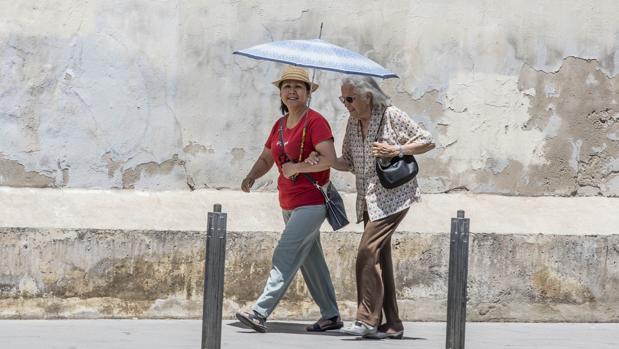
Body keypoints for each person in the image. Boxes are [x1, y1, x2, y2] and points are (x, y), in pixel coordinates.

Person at [306, 76, 434, 339]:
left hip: (393, 196)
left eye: (350, 99)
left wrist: (396, 149)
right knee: (380, 259)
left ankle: (367, 320)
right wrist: (323, 159)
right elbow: (347, 162)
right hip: (368, 200)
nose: (346, 105)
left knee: (366, 252)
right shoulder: (352, 123)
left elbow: (427, 140)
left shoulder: (391, 115)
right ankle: (393, 324)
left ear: (368, 96)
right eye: (343, 99)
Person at [235, 66, 343, 333]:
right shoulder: (280, 125)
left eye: (298, 87)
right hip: (288, 203)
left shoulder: (315, 121)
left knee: (285, 252)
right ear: (280, 93)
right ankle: (331, 315)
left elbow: (330, 159)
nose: (292, 91)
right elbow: (266, 158)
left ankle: (260, 312)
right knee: (310, 260)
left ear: (308, 93)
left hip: (311, 202)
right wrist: (251, 175)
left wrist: (298, 168)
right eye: (287, 86)